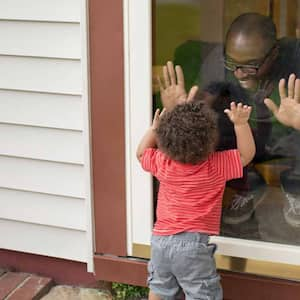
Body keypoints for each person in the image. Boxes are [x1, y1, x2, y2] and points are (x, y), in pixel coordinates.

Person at [166, 12, 300, 227]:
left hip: (286, 137)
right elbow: (203, 104)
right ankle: (247, 184)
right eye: (232, 63)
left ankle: (296, 187)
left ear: (274, 53)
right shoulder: (219, 60)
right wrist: (181, 109)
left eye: (250, 65)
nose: (238, 74)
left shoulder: (295, 58)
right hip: (244, 135)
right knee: (207, 127)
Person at [136, 99, 255, 299]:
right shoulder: (215, 166)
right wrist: (240, 124)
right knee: (202, 294)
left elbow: (141, 154)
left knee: (159, 288)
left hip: (160, 240)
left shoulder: (163, 162)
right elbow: (246, 154)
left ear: (165, 142)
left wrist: (154, 129)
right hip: (192, 245)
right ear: (211, 140)